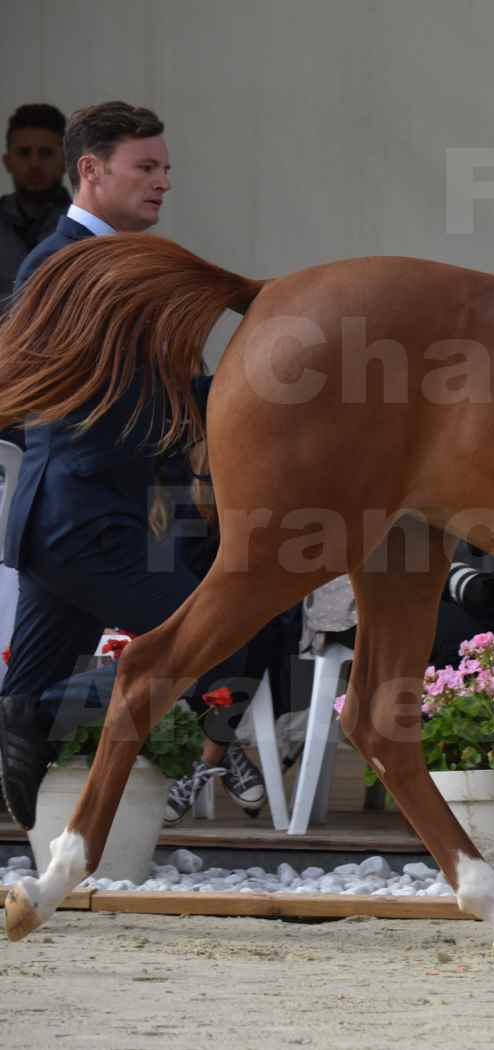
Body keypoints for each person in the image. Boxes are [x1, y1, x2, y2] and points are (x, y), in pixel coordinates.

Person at [0, 101, 285, 830]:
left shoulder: (109, 260)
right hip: (82, 525)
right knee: (223, 650)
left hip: (82, 521)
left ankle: (27, 733)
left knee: (30, 707)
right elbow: (97, 400)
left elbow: (145, 391)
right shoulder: (63, 262)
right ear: (90, 171)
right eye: (146, 168)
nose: (162, 183)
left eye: (166, 169)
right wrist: (231, 400)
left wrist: (250, 392)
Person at [0, 104, 69, 310]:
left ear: (66, 161)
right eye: (24, 153)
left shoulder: (89, 230)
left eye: (46, 153)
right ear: (7, 161)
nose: (35, 164)